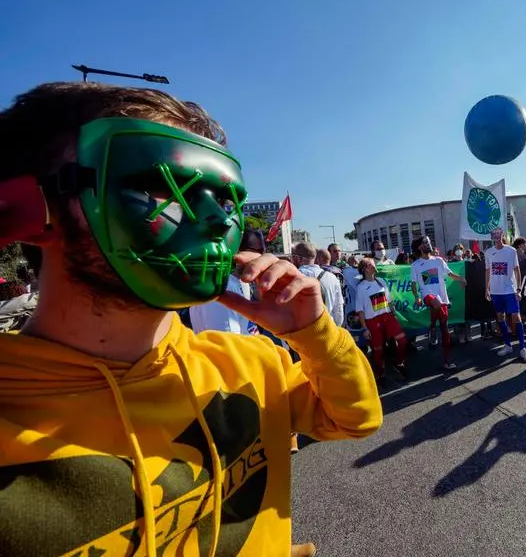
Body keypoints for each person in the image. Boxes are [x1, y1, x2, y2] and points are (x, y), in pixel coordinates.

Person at [0, 82, 381, 557]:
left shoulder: (253, 364)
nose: (219, 222)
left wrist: (314, 332)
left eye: (224, 201)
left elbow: (358, 418)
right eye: (160, 188)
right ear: (30, 210)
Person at [410, 235, 467, 370]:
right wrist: (417, 297)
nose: (429, 244)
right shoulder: (416, 265)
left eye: (429, 242)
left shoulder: (439, 260)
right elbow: (413, 284)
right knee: (436, 303)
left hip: (442, 299)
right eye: (425, 242)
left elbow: (450, 274)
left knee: (445, 330)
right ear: (420, 247)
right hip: (428, 297)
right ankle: (432, 329)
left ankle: (447, 360)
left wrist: (461, 278)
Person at [355, 257, 409, 381]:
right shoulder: (361, 287)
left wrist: (394, 315)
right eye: (370, 265)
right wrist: (365, 328)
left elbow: (389, 301)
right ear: (364, 270)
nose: (374, 266)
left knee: (402, 341)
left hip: (387, 316)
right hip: (372, 321)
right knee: (378, 349)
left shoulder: (381, 281)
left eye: (374, 264)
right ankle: (380, 373)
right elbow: (360, 310)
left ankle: (399, 363)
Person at [484, 227, 526, 362]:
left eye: (499, 234)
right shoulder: (488, 252)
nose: (497, 236)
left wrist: (519, 289)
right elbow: (488, 271)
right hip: (495, 291)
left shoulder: (511, 251)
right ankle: (507, 345)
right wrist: (486, 289)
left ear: (502, 235)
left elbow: (517, 270)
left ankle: (523, 349)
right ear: (492, 237)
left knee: (516, 317)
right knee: (500, 318)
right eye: (494, 234)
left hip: (510, 290)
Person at [292, 240, 345, 326]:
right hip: (328, 327)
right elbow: (338, 309)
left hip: (303, 331)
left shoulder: (294, 276)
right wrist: (336, 328)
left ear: (298, 258)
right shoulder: (332, 277)